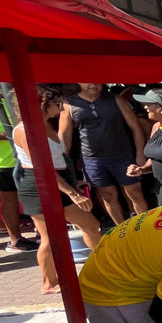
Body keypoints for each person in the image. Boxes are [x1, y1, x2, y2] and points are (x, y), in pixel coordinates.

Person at [13, 85, 103, 293]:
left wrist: (73, 183)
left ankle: (105, 266)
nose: (61, 108)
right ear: (43, 104)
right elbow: (43, 167)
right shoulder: (25, 130)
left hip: (58, 181)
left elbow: (58, 159)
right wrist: (72, 193)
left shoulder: (45, 124)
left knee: (90, 224)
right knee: (51, 238)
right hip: (38, 186)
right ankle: (49, 282)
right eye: (57, 104)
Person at [59, 82, 149, 225]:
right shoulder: (69, 103)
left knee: (135, 193)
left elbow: (135, 128)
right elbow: (65, 135)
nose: (92, 85)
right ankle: (121, 230)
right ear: (78, 82)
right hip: (92, 159)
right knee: (108, 196)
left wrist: (140, 154)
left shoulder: (115, 99)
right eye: (87, 81)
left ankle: (144, 227)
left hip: (123, 156)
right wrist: (61, 160)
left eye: (96, 81)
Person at [0, 83, 36, 252]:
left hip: (22, 156)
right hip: (0, 160)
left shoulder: (9, 95)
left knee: (32, 196)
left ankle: (41, 234)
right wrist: (7, 136)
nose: (3, 80)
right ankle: (15, 241)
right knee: (9, 200)